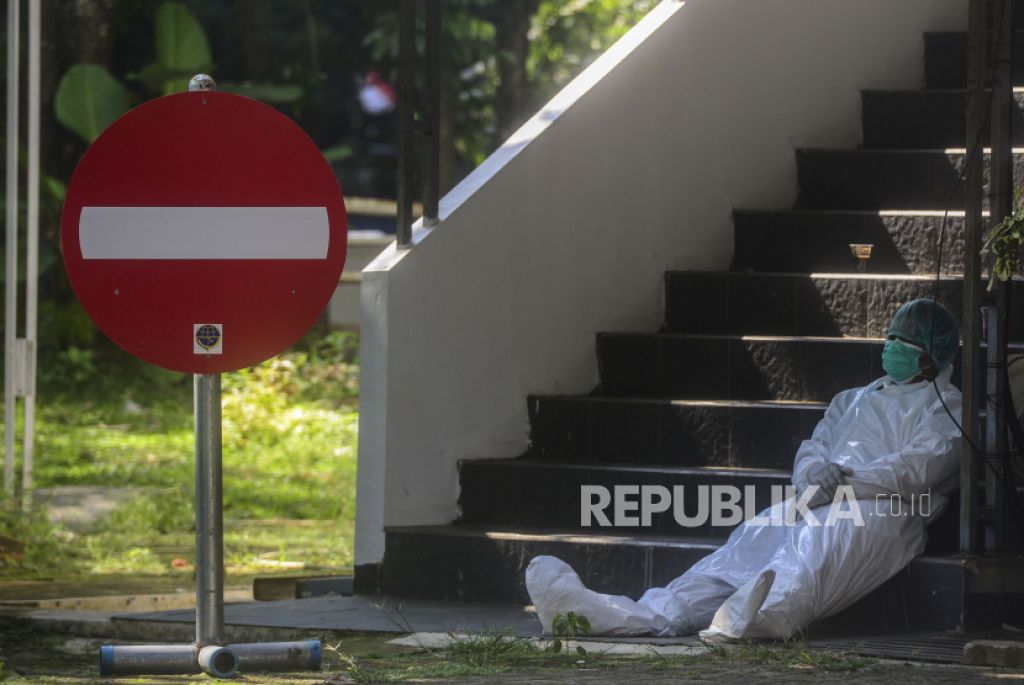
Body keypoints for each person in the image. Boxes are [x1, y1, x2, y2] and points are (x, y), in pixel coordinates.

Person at [525, 298, 962, 641]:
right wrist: (816, 475)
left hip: (884, 509)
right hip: (818, 497)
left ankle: (756, 617)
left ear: (931, 355)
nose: (890, 348)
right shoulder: (853, 398)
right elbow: (814, 446)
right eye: (890, 338)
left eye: (903, 344)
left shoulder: (945, 406)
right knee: (744, 547)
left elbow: (922, 467)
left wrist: (847, 481)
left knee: (815, 551)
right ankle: (609, 616)